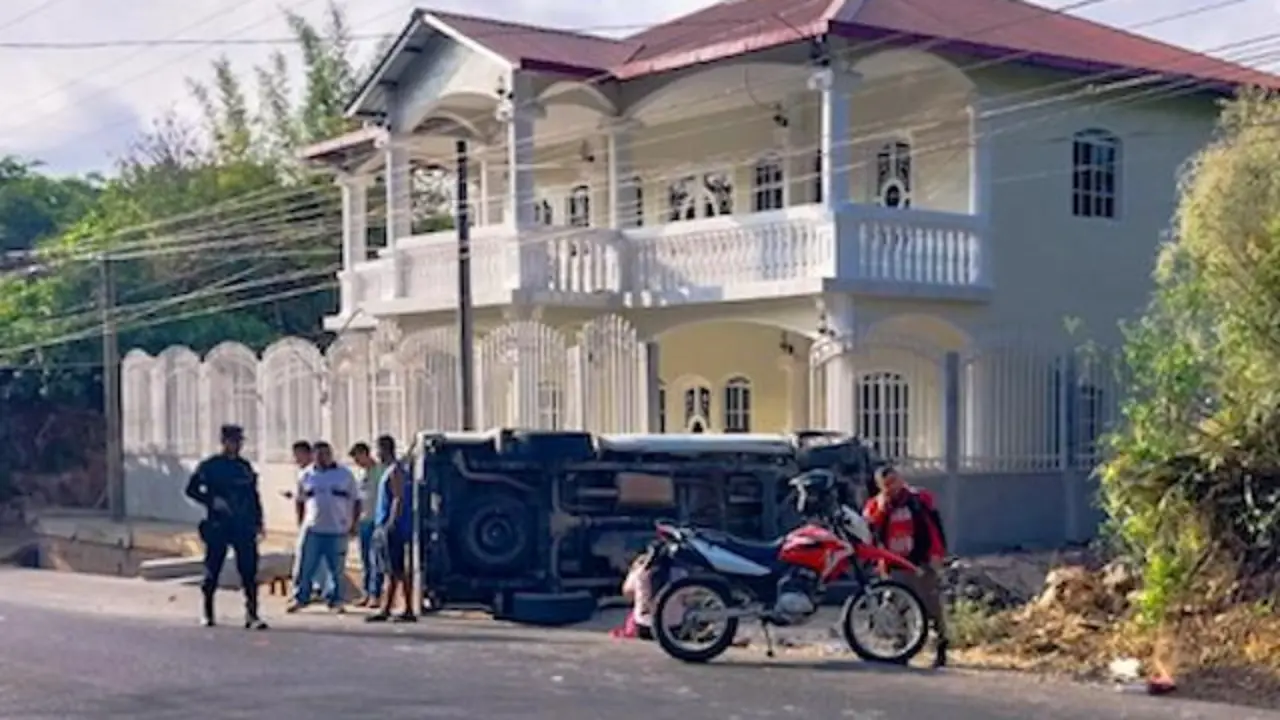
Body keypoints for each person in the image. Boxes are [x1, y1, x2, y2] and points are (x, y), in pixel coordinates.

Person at [863, 465, 949, 668]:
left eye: (894, 481)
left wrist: (936, 556)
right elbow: (870, 530)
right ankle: (901, 647)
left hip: (919, 562)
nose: (892, 487)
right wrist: (883, 508)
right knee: (896, 606)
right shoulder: (876, 505)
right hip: (894, 564)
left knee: (932, 606)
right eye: (886, 485)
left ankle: (940, 647)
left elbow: (933, 528)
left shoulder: (919, 500)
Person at [184, 424, 268, 630]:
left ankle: (252, 614)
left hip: (243, 524)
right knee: (213, 568)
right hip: (219, 524)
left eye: (239, 442)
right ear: (224, 442)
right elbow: (191, 490)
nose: (237, 445)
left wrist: (258, 522)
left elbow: (253, 495)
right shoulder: (211, 466)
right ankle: (208, 611)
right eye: (233, 441)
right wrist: (212, 500)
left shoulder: (244, 467)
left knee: (249, 570)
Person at [287, 441, 360, 613]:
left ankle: (335, 600)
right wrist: (301, 522)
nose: (322, 458)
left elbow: (356, 501)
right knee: (305, 565)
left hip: (337, 529)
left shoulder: (344, 475)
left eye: (326, 454)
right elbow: (300, 500)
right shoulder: (306, 475)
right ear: (313, 455)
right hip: (313, 528)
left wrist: (353, 524)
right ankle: (300, 597)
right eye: (319, 454)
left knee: (336, 568)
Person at [366, 435, 416, 623]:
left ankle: (399, 608)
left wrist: (391, 523)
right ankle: (388, 607)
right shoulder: (390, 470)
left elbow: (398, 497)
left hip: (392, 526)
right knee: (393, 569)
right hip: (387, 524)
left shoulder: (395, 471)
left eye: (377, 449)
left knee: (394, 570)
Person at [349, 441, 386, 607]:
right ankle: (366, 593)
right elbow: (358, 500)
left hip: (377, 520)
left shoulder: (381, 471)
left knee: (375, 560)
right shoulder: (361, 475)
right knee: (365, 559)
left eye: (358, 458)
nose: (357, 463)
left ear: (365, 454)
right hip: (364, 521)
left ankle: (375, 594)